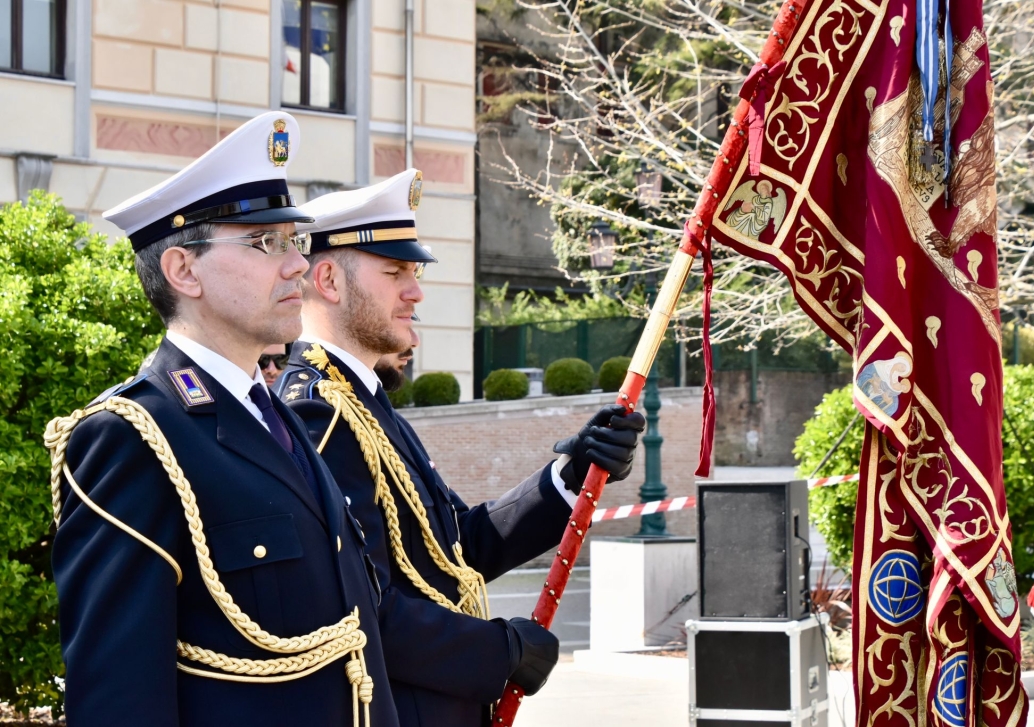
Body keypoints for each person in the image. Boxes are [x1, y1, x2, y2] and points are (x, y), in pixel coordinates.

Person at [46, 112, 397, 727]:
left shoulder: (274, 418)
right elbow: (120, 700)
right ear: (184, 270)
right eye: (267, 243)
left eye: (295, 241)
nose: (296, 266)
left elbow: (355, 646)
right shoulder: (133, 438)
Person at [274, 169, 645, 727]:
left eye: (414, 272)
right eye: (395, 272)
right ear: (328, 279)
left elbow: (454, 550)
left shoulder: (365, 403)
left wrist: (571, 475)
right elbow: (360, 610)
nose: (415, 292)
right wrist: (500, 653)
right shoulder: (317, 413)